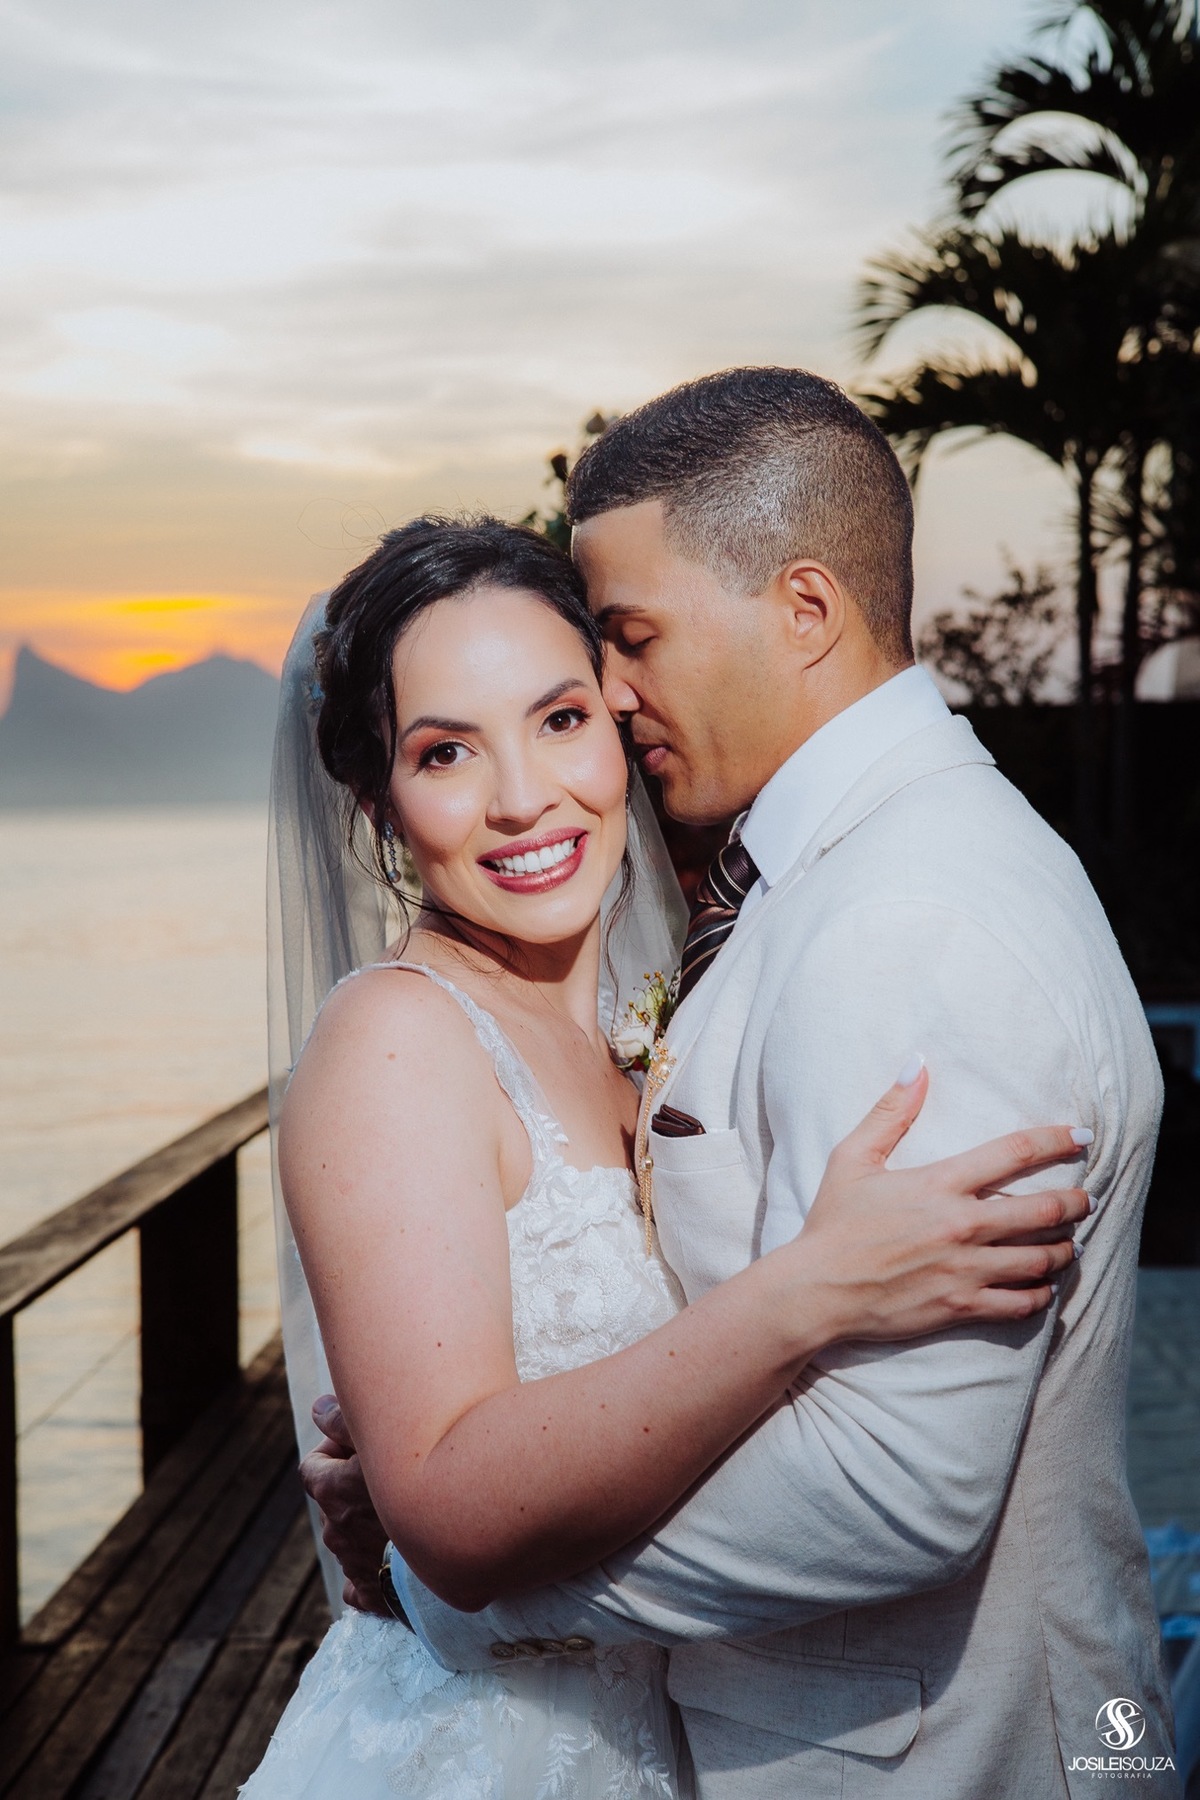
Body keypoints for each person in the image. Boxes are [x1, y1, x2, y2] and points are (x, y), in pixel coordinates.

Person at [308, 371, 1178, 1799]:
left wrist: (471, 1578)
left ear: (805, 610)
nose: (618, 696)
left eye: (623, 649)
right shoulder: (815, 876)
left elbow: (901, 1482)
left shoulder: (913, 918)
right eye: (450, 750)